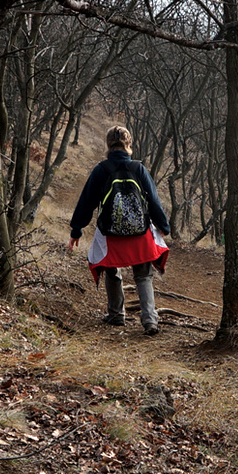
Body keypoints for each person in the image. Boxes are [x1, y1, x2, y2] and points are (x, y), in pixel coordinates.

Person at [69, 126, 171, 335]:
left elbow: (87, 202)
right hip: (139, 234)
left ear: (108, 145)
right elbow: (153, 201)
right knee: (143, 276)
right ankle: (150, 320)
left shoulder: (101, 170)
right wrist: (164, 226)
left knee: (112, 270)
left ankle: (116, 314)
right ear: (128, 144)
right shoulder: (138, 168)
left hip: (111, 235)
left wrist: (76, 229)